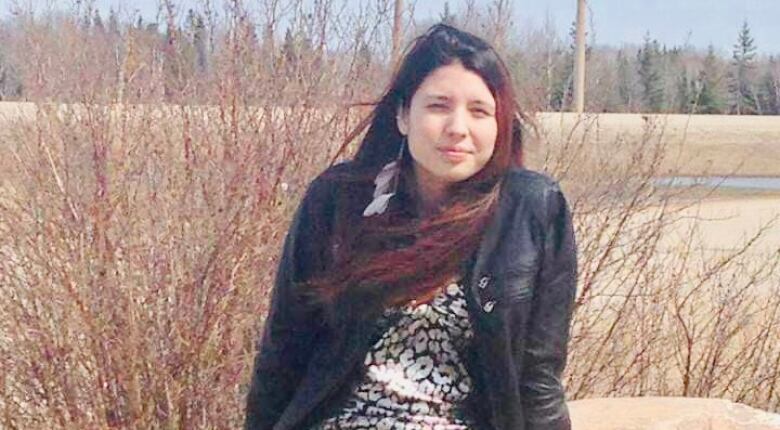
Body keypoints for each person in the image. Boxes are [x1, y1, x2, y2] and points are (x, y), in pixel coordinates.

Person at [245, 24, 577, 430]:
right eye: (438, 106)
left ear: (500, 124)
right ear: (403, 115)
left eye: (479, 111)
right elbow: (284, 351)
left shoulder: (532, 211)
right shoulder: (338, 201)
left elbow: (537, 377)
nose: (458, 127)